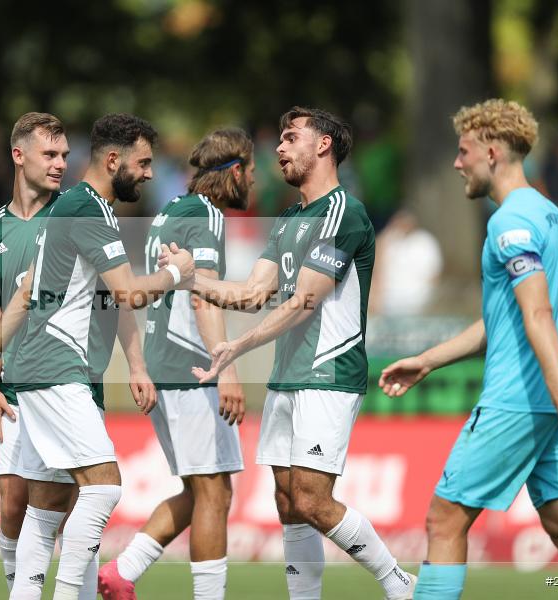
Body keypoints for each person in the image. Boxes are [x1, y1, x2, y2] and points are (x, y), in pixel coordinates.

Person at [165, 107, 416, 599]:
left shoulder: (345, 212)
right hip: (288, 376)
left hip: (328, 373)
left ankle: (399, 582)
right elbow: (253, 292)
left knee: (312, 498)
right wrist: (192, 276)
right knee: (287, 501)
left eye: (289, 138)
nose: (277, 149)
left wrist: (236, 345)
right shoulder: (289, 218)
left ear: (323, 146)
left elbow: (305, 300)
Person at [379, 99, 558, 599]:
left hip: (520, 398)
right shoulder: (550, 215)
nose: (457, 163)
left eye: (463, 151)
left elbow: (537, 314)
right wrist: (428, 359)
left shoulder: (508, 223)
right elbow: (503, 320)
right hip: (552, 397)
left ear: (492, 152)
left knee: (443, 519)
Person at [0, 113, 194, 600]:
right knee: (103, 489)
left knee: (44, 512)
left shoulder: (67, 211)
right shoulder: (86, 211)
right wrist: (177, 275)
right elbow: (126, 295)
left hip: (39, 370)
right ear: (113, 160)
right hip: (59, 369)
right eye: (143, 163)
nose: (149, 173)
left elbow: (24, 291)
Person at [97, 128, 253, 600]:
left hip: (168, 367)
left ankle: (122, 571)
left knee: (200, 488)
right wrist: (226, 369)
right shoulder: (205, 217)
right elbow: (204, 298)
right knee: (214, 493)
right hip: (192, 370)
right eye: (251, 169)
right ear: (235, 171)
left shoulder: (170, 212)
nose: (255, 180)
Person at [0, 112, 68, 593]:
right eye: (50, 154)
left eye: (64, 156)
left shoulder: (73, 216)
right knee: (11, 504)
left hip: (65, 383)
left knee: (64, 512)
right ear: (19, 155)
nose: (60, 164)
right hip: (10, 388)